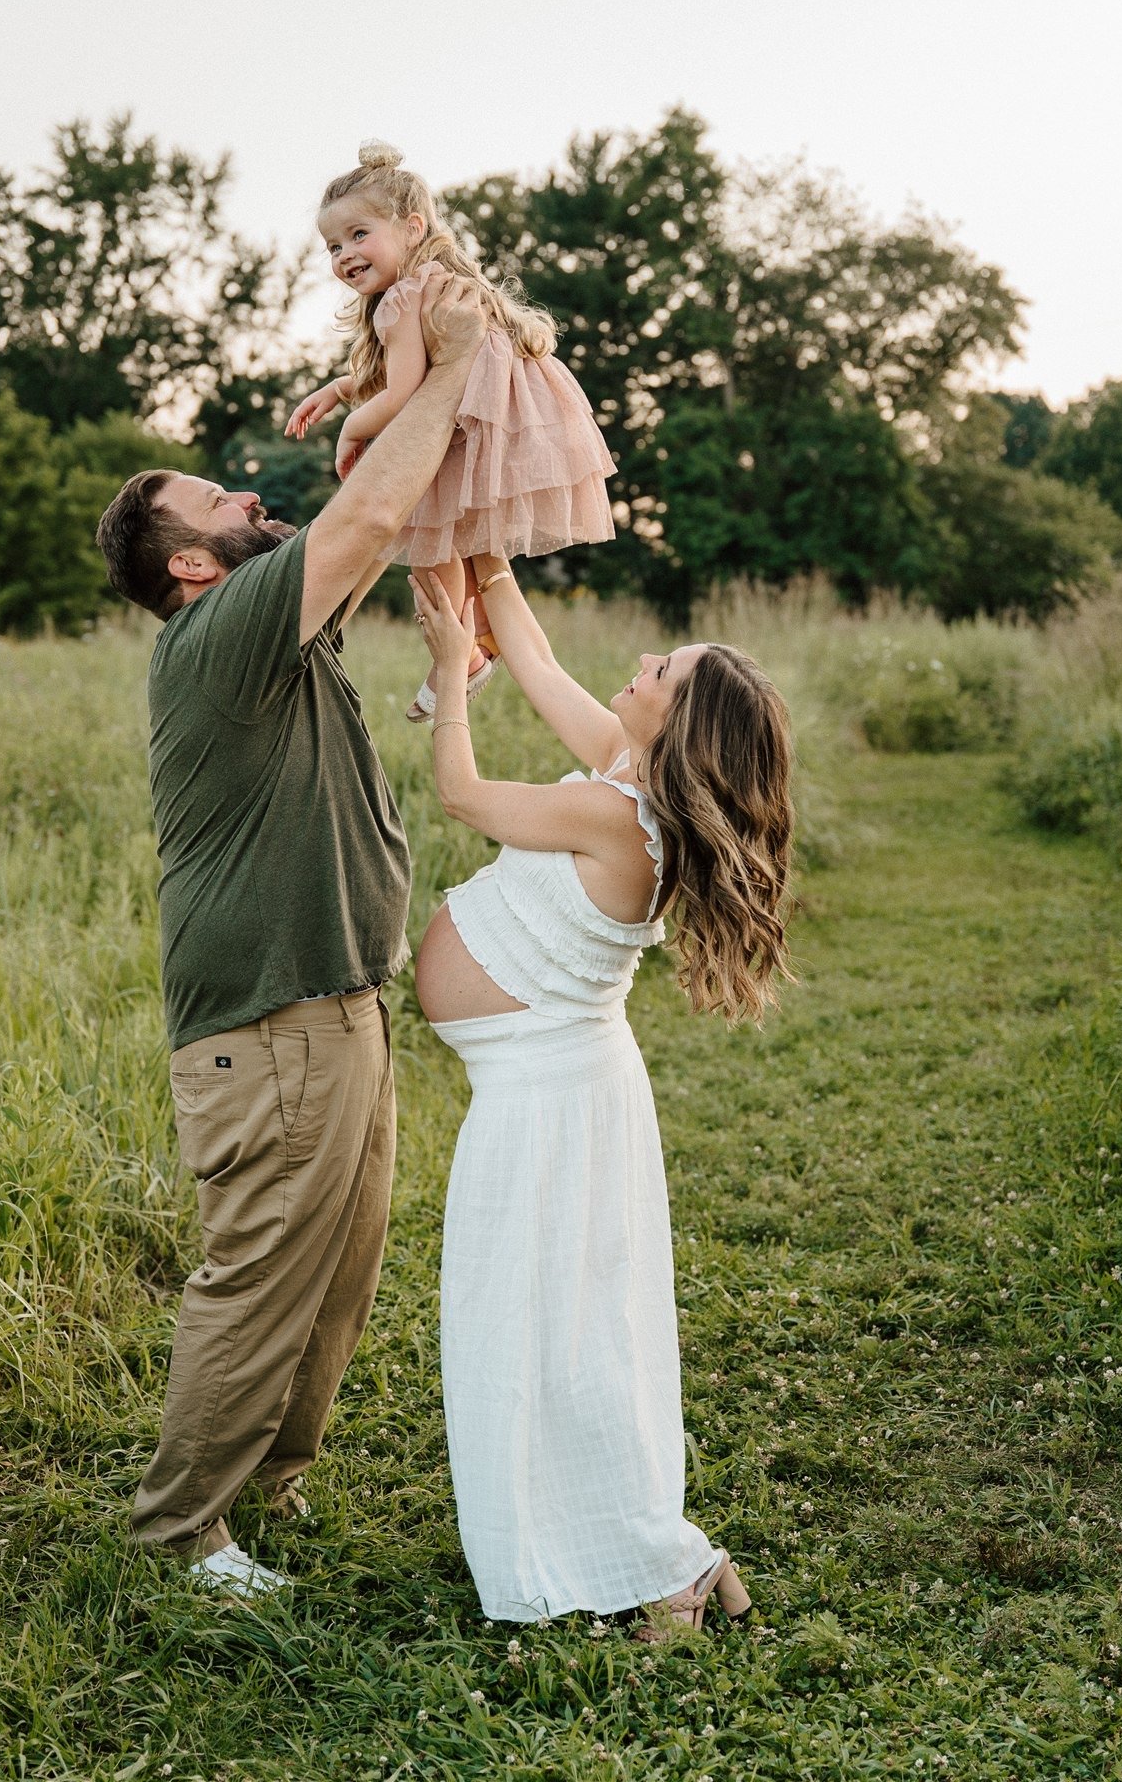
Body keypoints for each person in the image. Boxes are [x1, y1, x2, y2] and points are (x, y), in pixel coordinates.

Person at [94, 272, 486, 1599]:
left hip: (339, 999)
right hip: (267, 1020)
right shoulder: (215, 634)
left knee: (335, 1275)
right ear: (189, 565)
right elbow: (367, 511)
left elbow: (382, 508)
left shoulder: (289, 635)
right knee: (261, 1272)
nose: (243, 498)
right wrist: (452, 350)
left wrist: (399, 371)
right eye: (215, 503)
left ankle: (269, 1482)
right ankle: (179, 1531)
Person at [411, 559, 795, 1636]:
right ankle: (664, 1558)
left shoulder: (611, 812)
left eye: (659, 667)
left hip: (547, 1094)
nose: (639, 661)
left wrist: (449, 673)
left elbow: (461, 796)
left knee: (555, 1334)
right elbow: (532, 659)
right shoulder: (629, 779)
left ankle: (657, 1564)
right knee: (565, 1331)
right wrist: (486, 565)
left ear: (678, 719)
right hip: (554, 1081)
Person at [284, 141, 616, 721]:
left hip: (472, 417)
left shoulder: (401, 300)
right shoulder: (438, 283)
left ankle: (456, 659)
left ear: (412, 228)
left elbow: (404, 394)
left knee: (430, 539)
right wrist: (339, 390)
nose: (344, 255)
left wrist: (351, 430)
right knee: (459, 535)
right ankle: (480, 631)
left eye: (359, 235)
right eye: (334, 246)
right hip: (505, 415)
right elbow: (415, 372)